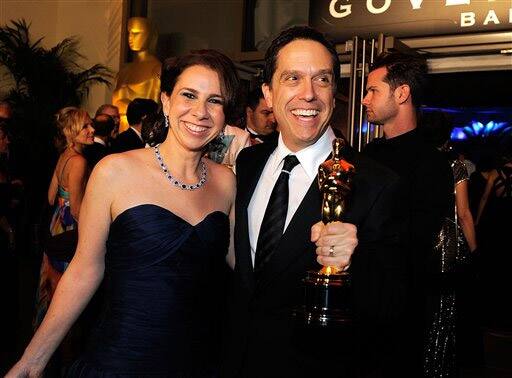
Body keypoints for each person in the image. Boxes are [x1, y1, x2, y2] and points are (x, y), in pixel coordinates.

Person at [7, 49, 239, 377]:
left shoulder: (226, 182)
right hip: (122, 360)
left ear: (224, 113)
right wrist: (32, 359)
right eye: (189, 95)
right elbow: (84, 270)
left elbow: (245, 269)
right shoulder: (115, 171)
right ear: (167, 102)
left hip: (197, 362)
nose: (200, 111)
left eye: (214, 100)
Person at [222, 26, 408, 378]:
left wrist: (357, 261)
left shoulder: (376, 184)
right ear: (268, 92)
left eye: (321, 80)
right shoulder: (247, 165)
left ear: (334, 92)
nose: (308, 95)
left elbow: (395, 306)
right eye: (292, 78)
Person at [362, 52, 453, 376]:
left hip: (402, 313)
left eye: (373, 90)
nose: (364, 99)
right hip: (360, 309)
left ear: (401, 94)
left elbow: (416, 240)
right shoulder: (368, 155)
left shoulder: (432, 164)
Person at [419, 111, 478, 376]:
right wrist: (475, 250)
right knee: (444, 310)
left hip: (417, 240)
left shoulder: (417, 162)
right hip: (445, 246)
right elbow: (463, 213)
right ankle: (437, 366)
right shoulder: (454, 165)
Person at [112, 17, 161, 132]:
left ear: (149, 35)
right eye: (129, 33)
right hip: (120, 130)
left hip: (142, 130)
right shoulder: (125, 70)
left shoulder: (156, 68)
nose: (131, 38)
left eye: (136, 33)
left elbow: (153, 107)